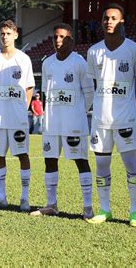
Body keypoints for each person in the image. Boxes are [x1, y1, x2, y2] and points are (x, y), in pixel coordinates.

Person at [86, 3, 136, 227]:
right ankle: (104, 209)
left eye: (113, 18)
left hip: (126, 120)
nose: (108, 21)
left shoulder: (134, 50)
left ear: (122, 22)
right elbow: (94, 85)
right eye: (105, 18)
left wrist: (128, 105)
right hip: (100, 121)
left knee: (131, 164)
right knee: (102, 166)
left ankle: (135, 212)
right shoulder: (93, 51)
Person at [30, 23, 94, 218]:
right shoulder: (47, 63)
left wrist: (78, 111)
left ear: (71, 40)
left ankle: (87, 207)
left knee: (81, 161)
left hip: (74, 123)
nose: (58, 41)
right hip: (51, 123)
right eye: (55, 37)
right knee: (50, 161)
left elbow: (89, 92)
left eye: (62, 37)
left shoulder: (80, 62)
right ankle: (51, 204)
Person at [0, 19, 34, 211]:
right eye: (2, 33)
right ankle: (1, 197)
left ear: (16, 35)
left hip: (17, 117)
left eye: (8, 33)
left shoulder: (23, 59)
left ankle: (24, 198)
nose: (4, 37)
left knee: (22, 154)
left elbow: (29, 87)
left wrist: (23, 108)